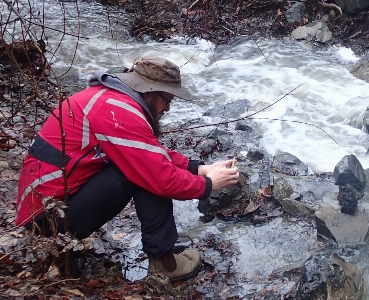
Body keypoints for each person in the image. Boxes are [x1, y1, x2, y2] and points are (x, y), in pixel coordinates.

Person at [15, 56, 239, 282]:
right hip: (48, 220)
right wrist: (209, 185)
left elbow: (146, 151)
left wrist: (200, 168)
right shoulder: (117, 111)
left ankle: (160, 256)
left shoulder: (112, 100)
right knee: (143, 176)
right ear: (150, 91)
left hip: (48, 210)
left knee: (141, 166)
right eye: (167, 99)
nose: (168, 108)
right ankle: (166, 265)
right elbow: (160, 178)